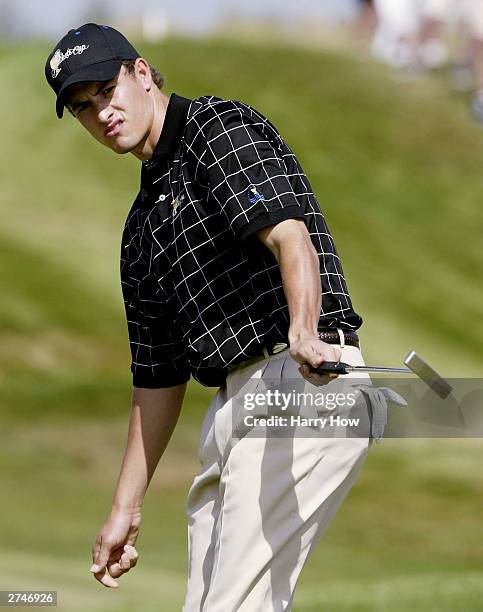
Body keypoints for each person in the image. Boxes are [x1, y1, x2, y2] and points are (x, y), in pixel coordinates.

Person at [45, 23, 374, 611]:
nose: (101, 113)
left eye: (105, 90)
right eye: (82, 107)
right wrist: (127, 504)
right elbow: (157, 376)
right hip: (234, 406)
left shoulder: (214, 129)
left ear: (141, 73)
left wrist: (304, 330)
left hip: (304, 383)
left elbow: (290, 236)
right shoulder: (141, 230)